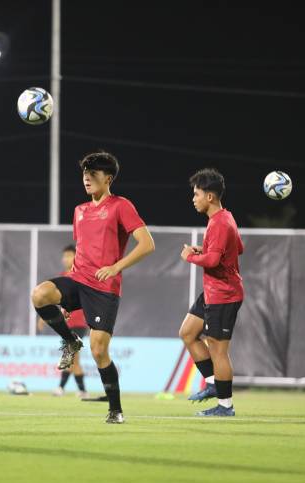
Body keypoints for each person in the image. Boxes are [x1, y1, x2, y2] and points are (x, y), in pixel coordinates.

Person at [31, 151, 155, 423]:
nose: (87, 178)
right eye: (85, 174)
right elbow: (83, 253)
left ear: (108, 178)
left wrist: (116, 267)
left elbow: (147, 244)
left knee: (99, 351)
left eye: (93, 174)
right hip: (78, 279)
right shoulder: (79, 211)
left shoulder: (121, 206)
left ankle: (116, 410)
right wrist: (65, 301)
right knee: (40, 294)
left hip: (104, 287)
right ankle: (70, 340)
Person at [179, 168, 244, 417]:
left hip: (225, 295)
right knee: (188, 333)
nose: (193, 199)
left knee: (218, 350)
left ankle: (225, 406)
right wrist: (203, 248)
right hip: (212, 292)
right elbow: (239, 248)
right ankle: (212, 383)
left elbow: (214, 261)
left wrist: (190, 257)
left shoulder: (219, 223)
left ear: (209, 197)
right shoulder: (225, 218)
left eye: (196, 194)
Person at [37, 245, 89, 398]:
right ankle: (82, 391)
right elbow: (54, 301)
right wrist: (43, 317)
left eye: (68, 255)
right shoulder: (62, 276)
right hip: (67, 324)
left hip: (79, 324)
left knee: (70, 355)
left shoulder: (81, 275)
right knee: (72, 358)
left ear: (76, 257)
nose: (65, 258)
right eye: (64, 256)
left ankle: (62, 388)